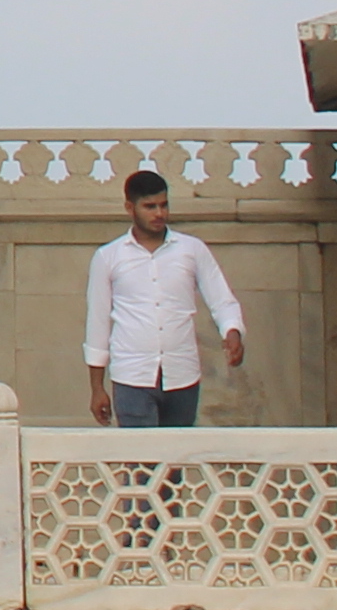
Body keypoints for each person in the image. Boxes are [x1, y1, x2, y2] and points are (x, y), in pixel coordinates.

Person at [83, 166, 245, 427]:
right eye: (150, 206)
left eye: (163, 205)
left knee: (175, 460)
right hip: (132, 376)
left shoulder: (191, 249)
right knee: (142, 463)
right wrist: (96, 387)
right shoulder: (108, 257)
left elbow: (221, 298)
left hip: (182, 375)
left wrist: (232, 330)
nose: (159, 214)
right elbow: (98, 323)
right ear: (130, 208)